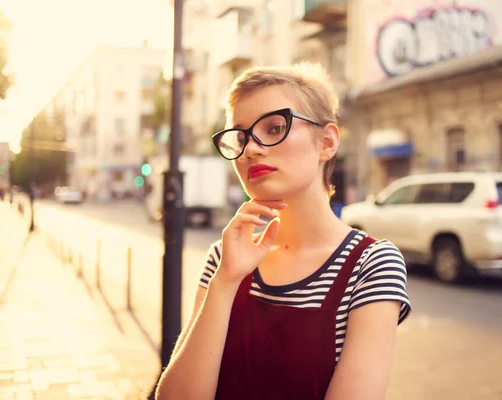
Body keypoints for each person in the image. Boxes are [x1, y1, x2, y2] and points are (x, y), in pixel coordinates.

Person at [155, 63, 411, 400]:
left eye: (275, 128)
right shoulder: (224, 257)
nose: (251, 150)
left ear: (327, 142)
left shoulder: (371, 264)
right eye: (241, 136)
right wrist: (226, 280)